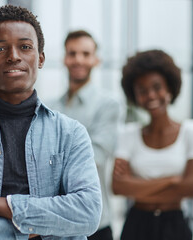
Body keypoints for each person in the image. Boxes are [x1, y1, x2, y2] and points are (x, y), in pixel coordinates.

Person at [0, 5, 102, 240]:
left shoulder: (71, 133)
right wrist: (31, 231)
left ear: (40, 58)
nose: (13, 56)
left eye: (25, 47)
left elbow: (88, 214)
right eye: (0, 48)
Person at [112, 49, 193, 240]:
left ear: (169, 88)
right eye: (142, 90)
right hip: (136, 225)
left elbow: (192, 186)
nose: (150, 95)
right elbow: (118, 187)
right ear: (135, 95)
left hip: (174, 225)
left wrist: (137, 187)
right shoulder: (128, 133)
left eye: (157, 87)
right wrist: (172, 181)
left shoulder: (191, 132)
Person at [50, 30, 122, 240]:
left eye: (85, 53)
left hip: (95, 223)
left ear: (96, 59)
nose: (78, 59)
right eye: (72, 53)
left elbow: (95, 158)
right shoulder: (50, 107)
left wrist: (50, 158)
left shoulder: (109, 105)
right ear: (64, 58)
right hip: (55, 222)